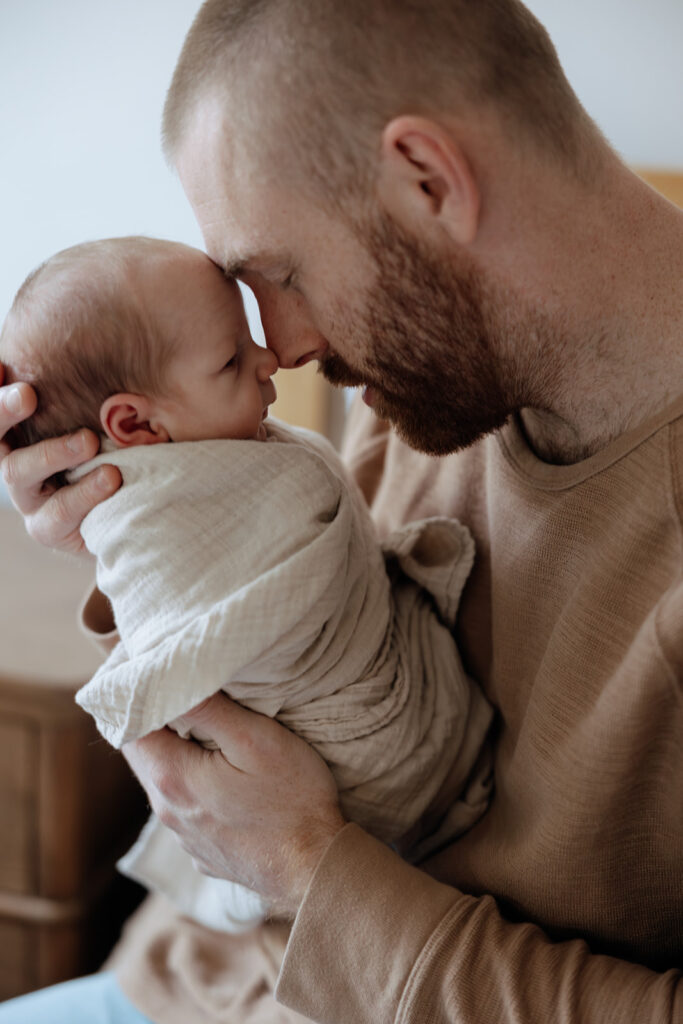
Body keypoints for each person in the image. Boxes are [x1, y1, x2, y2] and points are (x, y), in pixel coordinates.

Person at [0, 0, 681, 1021]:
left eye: (276, 273)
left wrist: (307, 866)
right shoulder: (431, 376)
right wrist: (128, 517)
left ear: (425, 180)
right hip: (197, 980)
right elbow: (292, 656)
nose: (278, 343)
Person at [0, 234, 492, 935]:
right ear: (135, 424)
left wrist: (300, 859)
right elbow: (173, 627)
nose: (273, 355)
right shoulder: (149, 514)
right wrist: (97, 549)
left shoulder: (222, 449)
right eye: (233, 356)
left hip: (361, 869)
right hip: (369, 776)